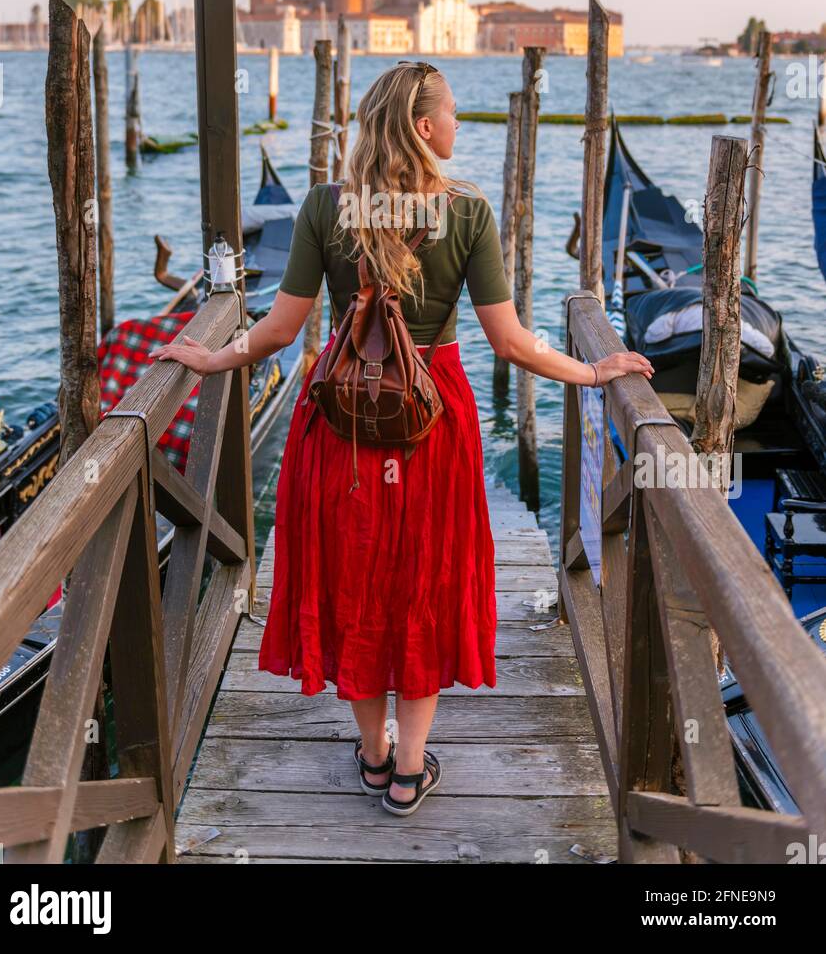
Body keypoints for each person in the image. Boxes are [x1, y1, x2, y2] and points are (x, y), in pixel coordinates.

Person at [153, 61, 653, 817]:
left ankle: (374, 754)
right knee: (424, 579)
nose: (458, 126)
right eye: (451, 114)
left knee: (353, 579)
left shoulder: (324, 207)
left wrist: (212, 357)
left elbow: (282, 331)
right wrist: (594, 371)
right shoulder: (469, 212)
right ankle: (410, 770)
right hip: (432, 418)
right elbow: (513, 344)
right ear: (424, 128)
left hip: (341, 423)